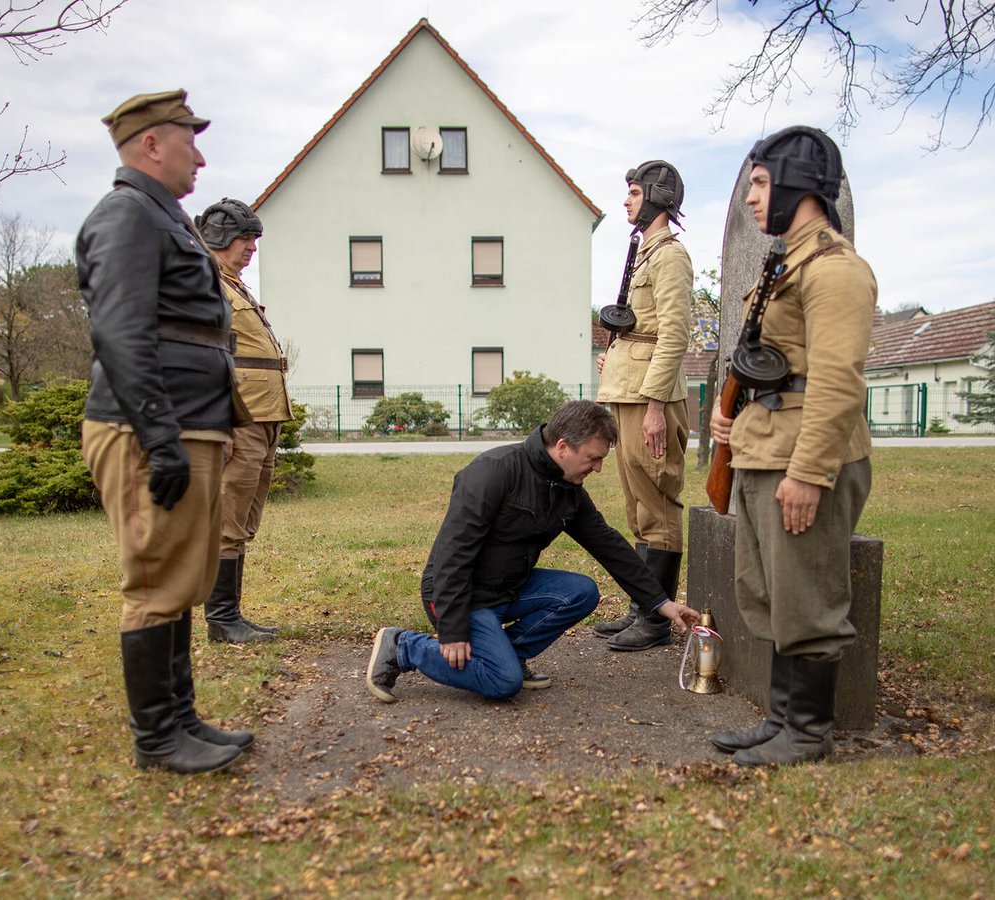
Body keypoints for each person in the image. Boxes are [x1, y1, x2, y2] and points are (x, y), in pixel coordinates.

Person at [77, 90, 251, 774]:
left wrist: (216, 425)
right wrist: (159, 436)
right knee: (155, 581)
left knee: (180, 579)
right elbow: (120, 333)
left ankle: (181, 719)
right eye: (189, 141)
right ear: (151, 144)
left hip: (188, 423)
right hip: (149, 427)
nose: (199, 157)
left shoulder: (161, 216)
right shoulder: (126, 215)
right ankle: (157, 738)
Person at [707, 127, 876, 767]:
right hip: (764, 449)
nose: (752, 198)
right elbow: (771, 362)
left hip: (801, 457)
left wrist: (808, 472)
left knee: (806, 598)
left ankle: (807, 733)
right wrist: (734, 418)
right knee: (771, 593)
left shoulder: (834, 269)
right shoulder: (788, 262)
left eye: (760, 183)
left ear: (796, 183)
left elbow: (836, 380)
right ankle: (781, 719)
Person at [366, 400, 702, 702]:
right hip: (463, 596)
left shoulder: (568, 488)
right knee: (503, 682)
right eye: (594, 458)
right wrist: (453, 628)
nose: (598, 468)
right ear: (563, 447)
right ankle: (403, 647)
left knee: (581, 592)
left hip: (509, 588)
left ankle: (509, 656)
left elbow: (607, 544)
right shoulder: (494, 471)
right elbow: (453, 554)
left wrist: (661, 602)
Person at [593, 160, 694, 652]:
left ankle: (656, 622)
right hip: (629, 389)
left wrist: (655, 405)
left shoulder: (670, 256)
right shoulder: (644, 253)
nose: (627, 201)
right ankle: (644, 605)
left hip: (651, 396)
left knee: (657, 502)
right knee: (637, 506)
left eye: (634, 192)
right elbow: (640, 328)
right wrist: (613, 357)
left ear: (657, 197)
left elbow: (674, 335)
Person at [195, 199, 292, 644]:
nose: (252, 247)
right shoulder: (203, 284)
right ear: (218, 237)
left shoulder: (232, 285)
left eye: (254, 239)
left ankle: (231, 614)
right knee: (227, 520)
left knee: (243, 521)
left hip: (262, 417)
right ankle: (221, 620)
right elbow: (200, 359)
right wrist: (218, 424)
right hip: (239, 419)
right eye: (245, 238)